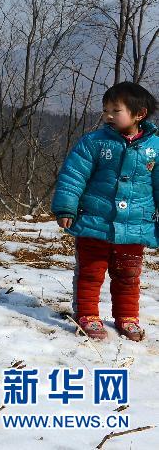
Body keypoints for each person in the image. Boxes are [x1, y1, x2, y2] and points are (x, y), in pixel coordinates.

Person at [51, 82, 158, 342]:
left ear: (139, 114)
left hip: (135, 226)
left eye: (115, 110)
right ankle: (87, 314)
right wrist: (66, 207)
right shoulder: (94, 143)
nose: (108, 115)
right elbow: (73, 176)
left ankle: (127, 317)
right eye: (106, 110)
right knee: (91, 272)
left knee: (128, 275)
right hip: (94, 222)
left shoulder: (155, 147)